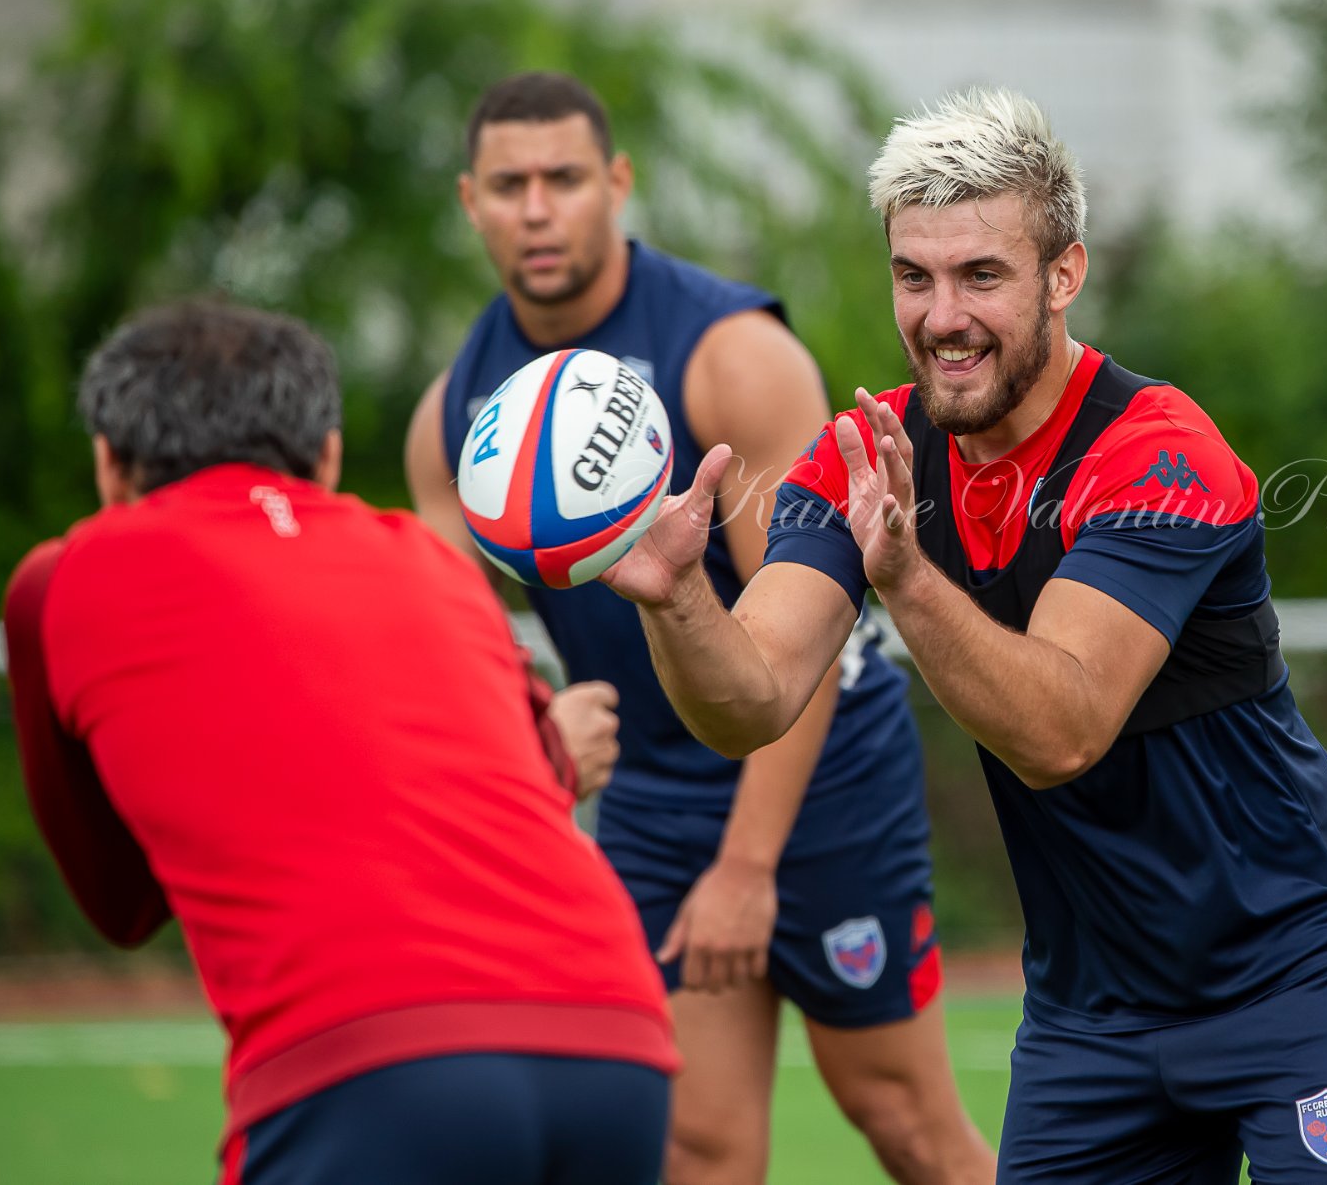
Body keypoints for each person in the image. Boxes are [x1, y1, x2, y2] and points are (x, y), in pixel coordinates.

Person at [602, 87, 1327, 1185]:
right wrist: (677, 601)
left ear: (1063, 274)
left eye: (981, 275)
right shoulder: (862, 454)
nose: (942, 315)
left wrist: (905, 575)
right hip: (1093, 1013)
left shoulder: (1158, 453)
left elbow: (1062, 729)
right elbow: (749, 702)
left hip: (1298, 978)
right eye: (914, 276)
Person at [406, 72, 991, 1185]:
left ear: (617, 183)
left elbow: (809, 633)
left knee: (902, 1116)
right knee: (695, 1144)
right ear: (470, 201)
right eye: (510, 185)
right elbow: (453, 653)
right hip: (653, 792)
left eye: (565, 178)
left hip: (820, 769)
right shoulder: (456, 417)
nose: (539, 208)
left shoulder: (730, 353)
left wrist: (746, 865)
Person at [4, 302, 677, 1185]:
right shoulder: (430, 559)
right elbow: (522, 764)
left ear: (108, 463)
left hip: (363, 1064)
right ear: (326, 456)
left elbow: (120, 905)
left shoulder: (60, 579)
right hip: (616, 1038)